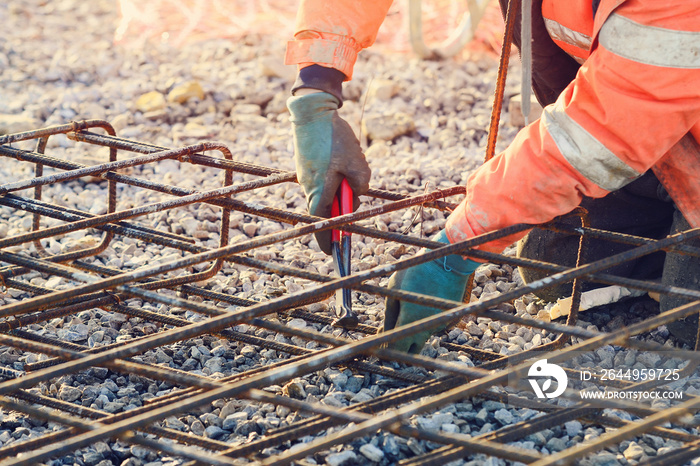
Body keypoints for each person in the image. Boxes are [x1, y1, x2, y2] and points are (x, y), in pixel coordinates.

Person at [284, 0, 700, 353]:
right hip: (658, 137)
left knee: (690, 326)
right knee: (555, 270)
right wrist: (317, 83)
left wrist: (458, 247)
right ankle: (670, 231)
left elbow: (599, 131)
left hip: (635, 118)